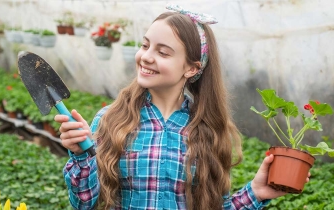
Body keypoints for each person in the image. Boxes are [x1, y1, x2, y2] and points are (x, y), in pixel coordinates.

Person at [54, 4, 310, 210]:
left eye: (163, 52)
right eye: (145, 45)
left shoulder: (207, 131)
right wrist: (80, 156)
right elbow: (85, 204)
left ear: (192, 68)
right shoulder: (111, 119)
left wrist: (256, 192)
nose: (146, 56)